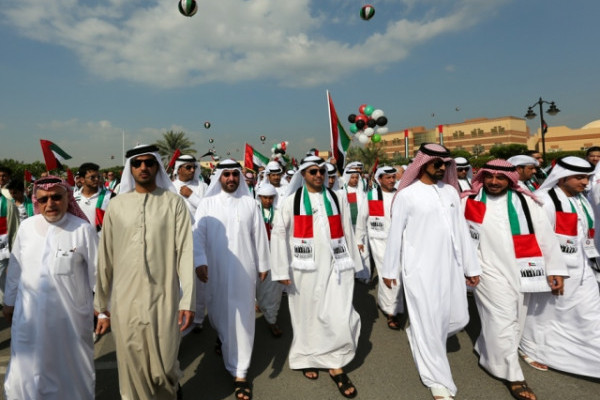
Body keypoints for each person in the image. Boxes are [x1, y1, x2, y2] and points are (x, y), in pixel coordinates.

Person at [94, 144, 196, 400]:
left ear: (157, 167)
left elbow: (185, 253)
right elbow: (105, 257)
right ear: (130, 168)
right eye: (137, 163)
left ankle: (169, 391)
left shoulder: (174, 203)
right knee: (131, 364)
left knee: (165, 364)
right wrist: (101, 305)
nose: (143, 167)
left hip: (163, 296)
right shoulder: (117, 206)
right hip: (124, 299)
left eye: (149, 163)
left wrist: (188, 300)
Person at [460, 159, 567, 400]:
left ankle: (488, 351)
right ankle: (513, 375)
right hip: (485, 270)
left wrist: (555, 269)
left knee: (515, 317)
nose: (494, 182)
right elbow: (458, 237)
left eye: (500, 178)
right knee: (502, 319)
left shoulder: (527, 202)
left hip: (521, 269)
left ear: (511, 179)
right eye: (489, 177)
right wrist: (466, 268)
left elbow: (546, 237)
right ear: (482, 178)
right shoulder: (469, 201)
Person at [382, 143, 481, 400]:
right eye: (437, 163)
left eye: (446, 164)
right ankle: (437, 379)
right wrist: (390, 269)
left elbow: (461, 231)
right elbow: (395, 234)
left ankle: (421, 334)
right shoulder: (406, 195)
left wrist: (471, 267)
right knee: (430, 323)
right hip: (420, 269)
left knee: (458, 319)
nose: (442, 168)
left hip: (450, 266)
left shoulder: (450, 192)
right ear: (423, 163)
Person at [271, 155, 362, 399]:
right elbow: (279, 235)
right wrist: (281, 270)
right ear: (303, 174)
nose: (319, 175)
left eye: (322, 171)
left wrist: (353, 262)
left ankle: (336, 362)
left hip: (336, 265)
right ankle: (306, 357)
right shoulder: (291, 202)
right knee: (306, 315)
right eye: (313, 172)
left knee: (340, 314)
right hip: (303, 269)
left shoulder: (337, 197)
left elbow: (347, 231)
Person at [3, 176, 97, 399]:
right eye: (43, 199)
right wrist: (9, 302)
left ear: (67, 198)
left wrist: (103, 310)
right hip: (28, 316)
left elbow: (98, 272)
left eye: (56, 197)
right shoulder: (26, 228)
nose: (50, 204)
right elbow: (15, 269)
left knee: (70, 369)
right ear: (36, 200)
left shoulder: (82, 229)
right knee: (25, 369)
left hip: (69, 319)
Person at [193, 159, 269, 400]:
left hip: (244, 271)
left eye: (235, 175)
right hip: (215, 269)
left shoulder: (250, 203)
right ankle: (224, 338)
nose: (231, 179)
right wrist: (200, 260)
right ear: (218, 177)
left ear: (240, 177)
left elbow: (259, 237)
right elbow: (198, 236)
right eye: (226, 175)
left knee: (243, 316)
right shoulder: (207, 203)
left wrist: (264, 264)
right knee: (217, 314)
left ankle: (240, 372)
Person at [519, 156, 600, 379]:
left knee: (591, 314)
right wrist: (550, 270)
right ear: (562, 178)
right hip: (556, 271)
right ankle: (532, 348)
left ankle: (589, 356)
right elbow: (538, 240)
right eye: (580, 177)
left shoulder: (580, 199)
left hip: (583, 267)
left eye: (587, 177)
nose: (585, 183)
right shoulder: (544, 201)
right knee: (545, 316)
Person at [355, 166, 401, 329]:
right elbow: (362, 219)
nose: (391, 180)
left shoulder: (400, 195)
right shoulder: (371, 196)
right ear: (379, 179)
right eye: (387, 177)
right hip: (379, 241)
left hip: (399, 241)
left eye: (393, 177)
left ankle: (392, 303)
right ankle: (391, 312)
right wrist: (359, 240)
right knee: (385, 273)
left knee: (399, 273)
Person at [255, 183, 285, 338]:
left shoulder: (279, 213)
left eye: (270, 198)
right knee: (255, 286)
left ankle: (272, 320)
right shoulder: (254, 212)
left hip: (274, 256)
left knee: (274, 291)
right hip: (256, 256)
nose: (268, 201)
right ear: (259, 197)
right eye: (265, 197)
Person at [74, 162, 113, 231]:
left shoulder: (109, 196)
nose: (97, 179)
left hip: (101, 240)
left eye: (98, 177)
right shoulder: (73, 197)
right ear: (82, 179)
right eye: (92, 177)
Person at [0, 190, 19, 306]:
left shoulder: (8, 205)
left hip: (2, 249)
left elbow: (15, 230)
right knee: (2, 280)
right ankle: (8, 302)